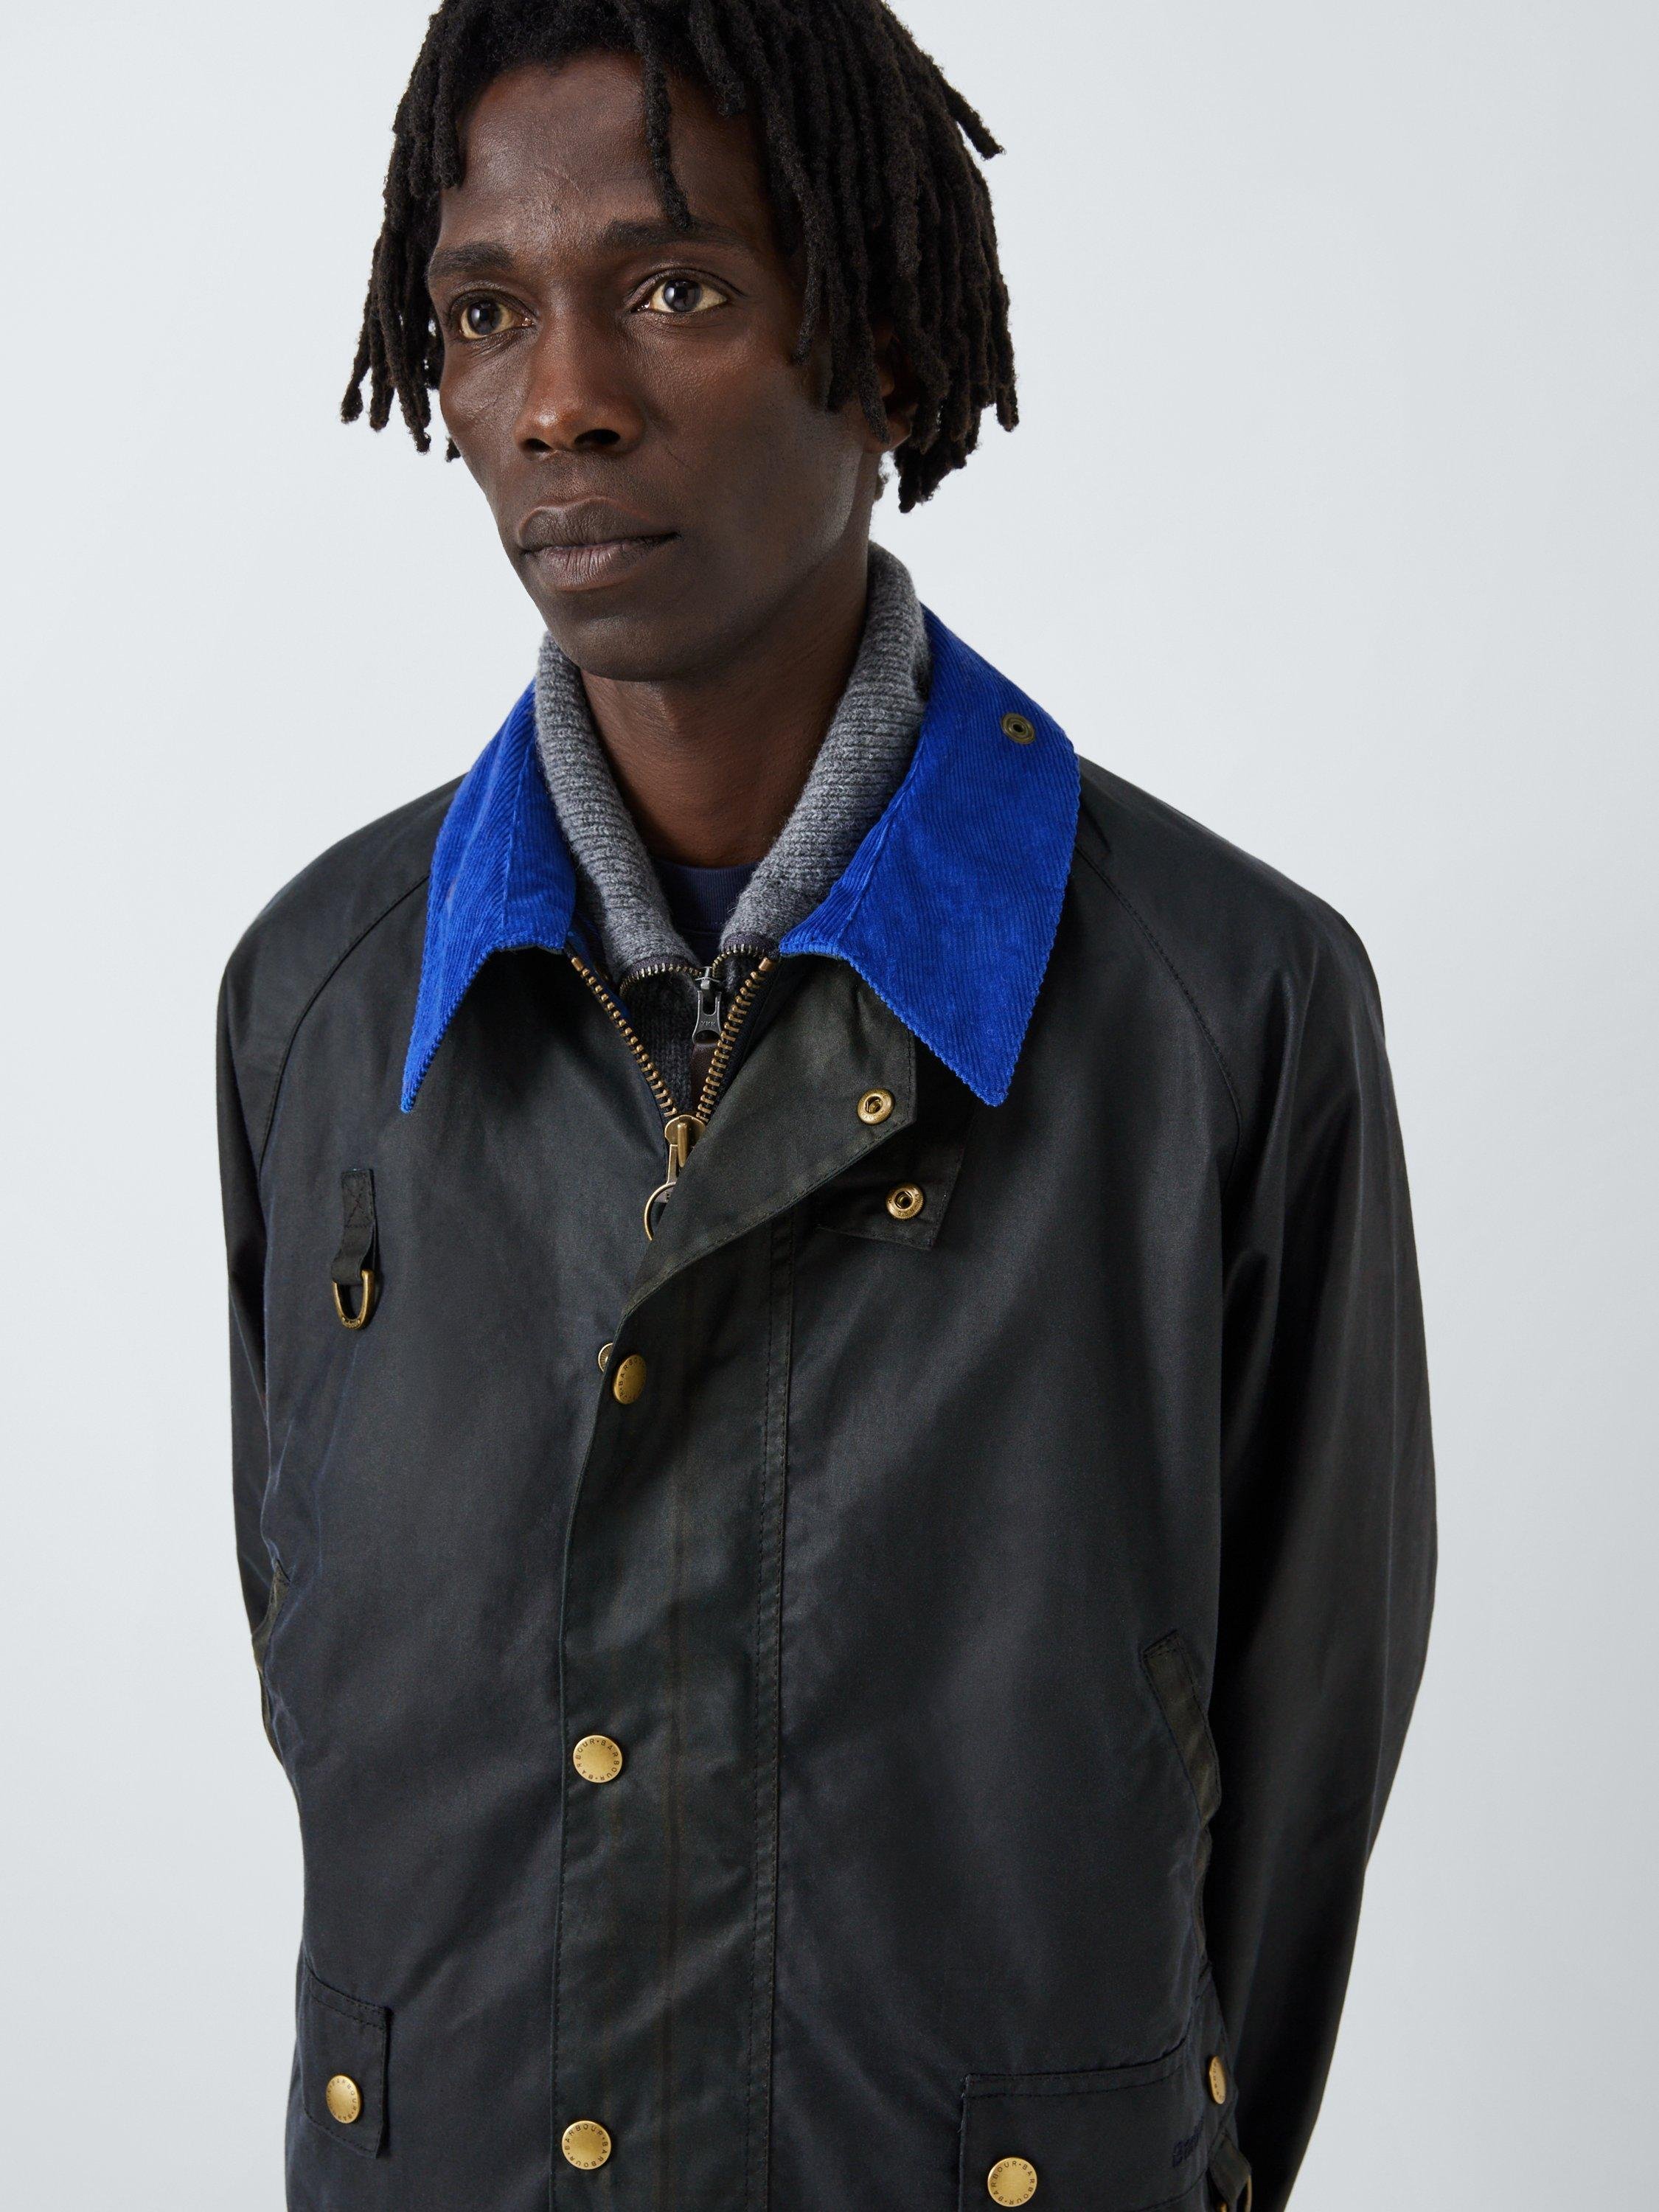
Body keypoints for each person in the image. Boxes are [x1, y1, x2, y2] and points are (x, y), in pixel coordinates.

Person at [216, 4, 1435, 2207]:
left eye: (677, 288)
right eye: (483, 314)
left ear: (879, 344)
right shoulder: (315, 1004)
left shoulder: (1223, 1013)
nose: (561, 400)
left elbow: (1289, 1808)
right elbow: (321, 1693)